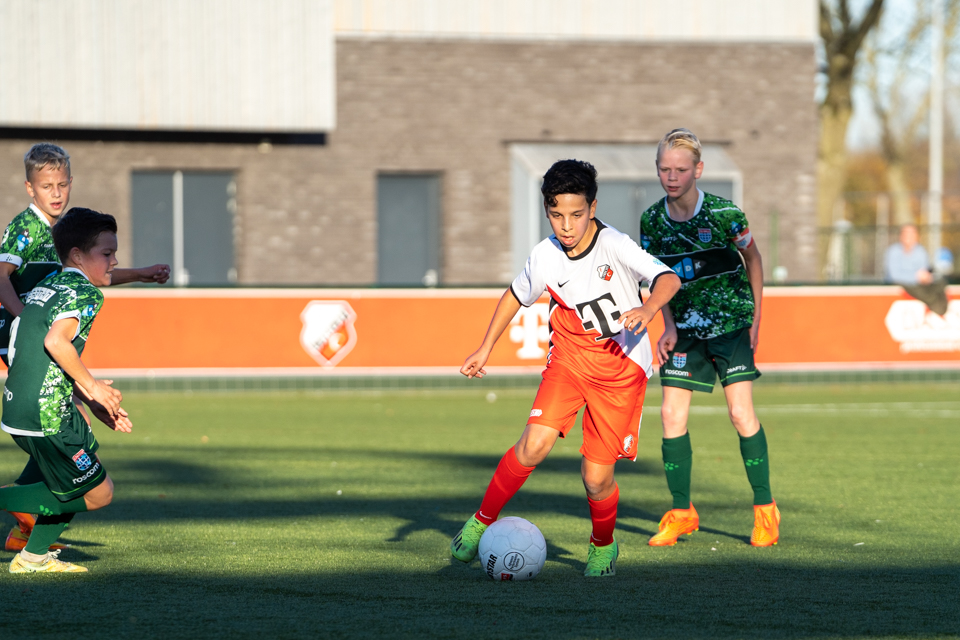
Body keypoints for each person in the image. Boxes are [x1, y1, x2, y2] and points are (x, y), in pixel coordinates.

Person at [450, 159, 681, 577]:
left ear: (593, 208)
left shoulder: (616, 245)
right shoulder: (545, 255)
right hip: (570, 360)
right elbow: (515, 295)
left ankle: (603, 546)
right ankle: (480, 522)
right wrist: (485, 348)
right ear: (547, 211)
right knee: (533, 445)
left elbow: (669, 279)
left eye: (576, 214)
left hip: (621, 370)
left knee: (596, 479)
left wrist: (648, 309)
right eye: (557, 215)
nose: (567, 226)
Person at [0, 143, 169, 553]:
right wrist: (25, 319)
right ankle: (26, 519)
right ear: (30, 188)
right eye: (47, 186)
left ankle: (27, 531)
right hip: (25, 343)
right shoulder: (27, 228)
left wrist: (141, 274)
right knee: (67, 429)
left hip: (44, 340)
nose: (56, 193)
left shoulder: (65, 234)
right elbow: (1, 276)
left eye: (62, 184)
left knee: (71, 437)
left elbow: (92, 271)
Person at [639, 128, 779, 547]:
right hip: (685, 331)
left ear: (698, 170)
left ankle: (765, 510)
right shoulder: (651, 221)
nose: (672, 176)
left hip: (730, 325)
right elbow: (657, 277)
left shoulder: (724, 214)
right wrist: (668, 324)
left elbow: (753, 259)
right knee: (670, 416)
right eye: (664, 168)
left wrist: (755, 318)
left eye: (681, 169)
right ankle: (682, 512)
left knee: (740, 414)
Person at [0, 207, 132, 572]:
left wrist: (87, 398)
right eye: (106, 253)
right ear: (77, 255)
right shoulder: (86, 293)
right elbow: (56, 343)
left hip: (20, 406)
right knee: (99, 493)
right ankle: (17, 519)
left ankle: (32, 557)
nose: (114, 260)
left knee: (82, 455)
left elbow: (36, 352)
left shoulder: (47, 287)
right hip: (47, 415)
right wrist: (94, 388)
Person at [884, 224, 948, 316]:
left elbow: (923, 271)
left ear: (917, 236)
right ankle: (936, 307)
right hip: (903, 285)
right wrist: (916, 277)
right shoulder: (893, 251)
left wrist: (926, 277)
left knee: (940, 283)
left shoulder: (920, 251)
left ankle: (940, 307)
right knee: (921, 291)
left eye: (912, 233)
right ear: (901, 236)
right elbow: (895, 276)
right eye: (906, 233)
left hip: (920, 284)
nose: (909, 236)